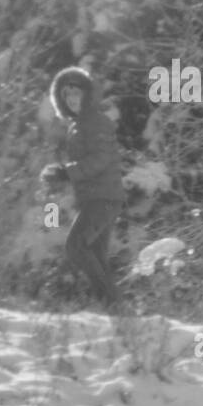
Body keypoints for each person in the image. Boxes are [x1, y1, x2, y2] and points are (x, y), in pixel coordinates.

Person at [41, 67, 125, 304]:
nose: (72, 100)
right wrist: (59, 174)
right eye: (67, 96)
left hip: (104, 198)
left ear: (87, 95)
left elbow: (100, 159)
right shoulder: (79, 125)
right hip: (97, 197)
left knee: (76, 247)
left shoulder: (96, 121)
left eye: (76, 94)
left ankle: (112, 305)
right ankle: (117, 313)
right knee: (97, 256)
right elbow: (84, 164)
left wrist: (67, 172)